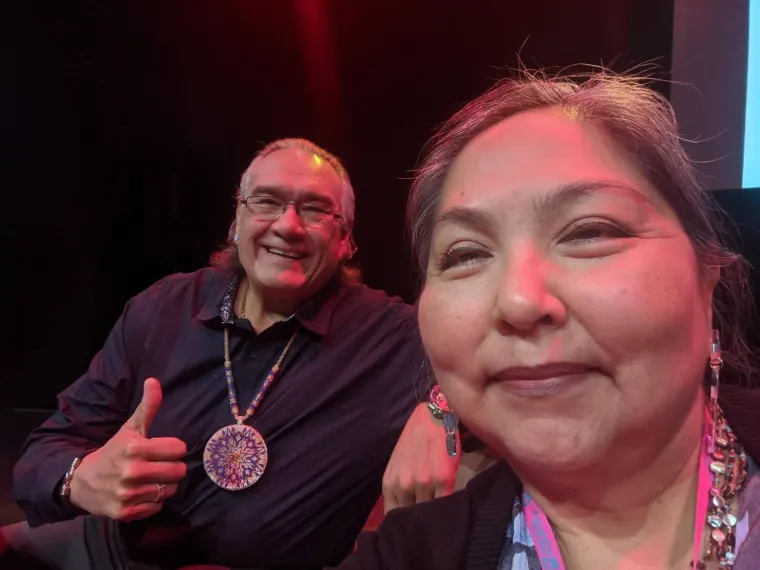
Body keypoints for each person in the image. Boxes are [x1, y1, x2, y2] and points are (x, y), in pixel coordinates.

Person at [335, 71, 760, 569]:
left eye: (589, 232)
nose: (518, 302)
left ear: (706, 279)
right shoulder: (404, 555)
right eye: (466, 254)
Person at [6, 138, 456, 570]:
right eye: (266, 201)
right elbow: (44, 452)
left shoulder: (391, 337)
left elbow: (494, 357)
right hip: (110, 551)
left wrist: (440, 409)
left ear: (345, 241)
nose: (288, 225)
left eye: (316, 209)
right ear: (236, 221)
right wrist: (81, 478)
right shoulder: (163, 308)